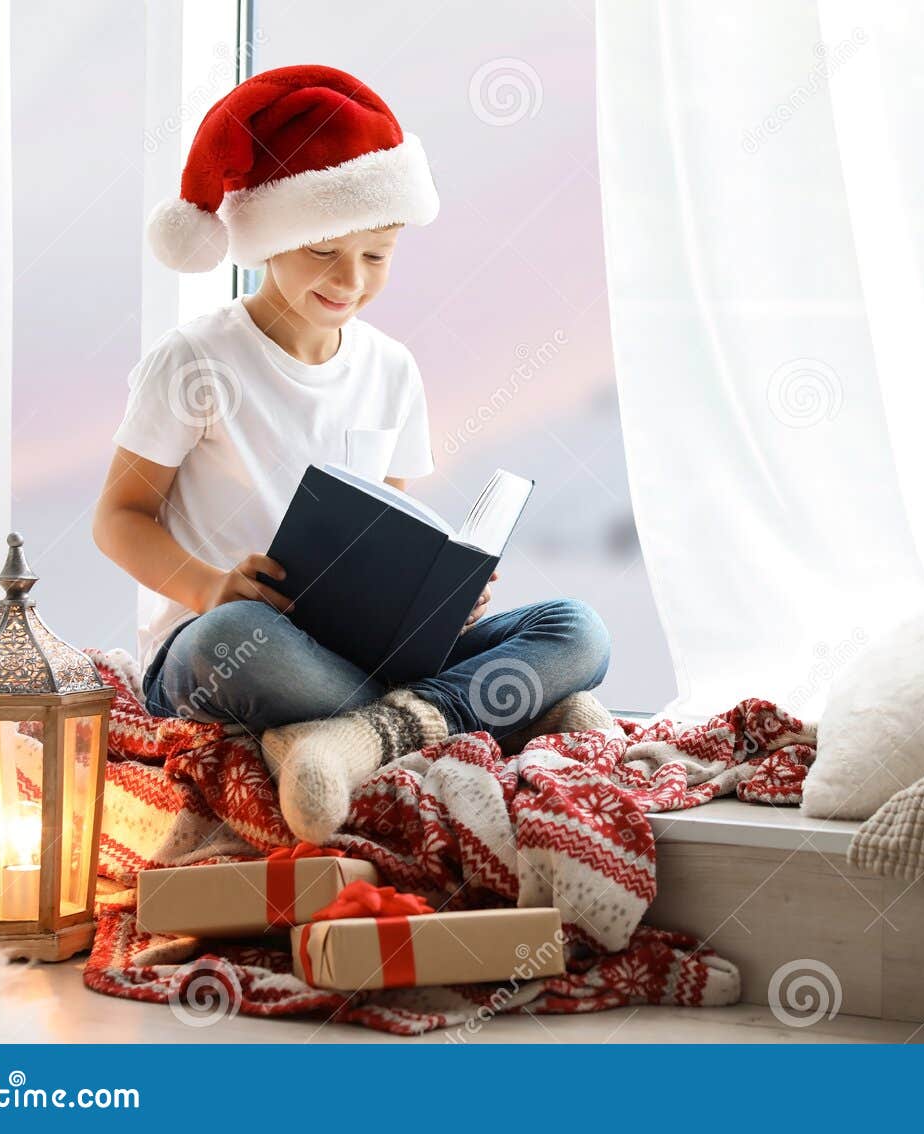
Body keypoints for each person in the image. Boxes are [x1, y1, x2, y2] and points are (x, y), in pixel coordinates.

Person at [93, 65, 611, 842]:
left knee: (577, 628)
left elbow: (389, 525)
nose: (351, 280)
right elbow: (117, 519)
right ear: (265, 242)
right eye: (323, 252)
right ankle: (491, 714)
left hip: (354, 656)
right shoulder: (196, 361)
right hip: (225, 645)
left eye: (377, 255)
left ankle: (358, 735)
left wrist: (437, 597)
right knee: (235, 642)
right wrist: (210, 588)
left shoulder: (391, 368)